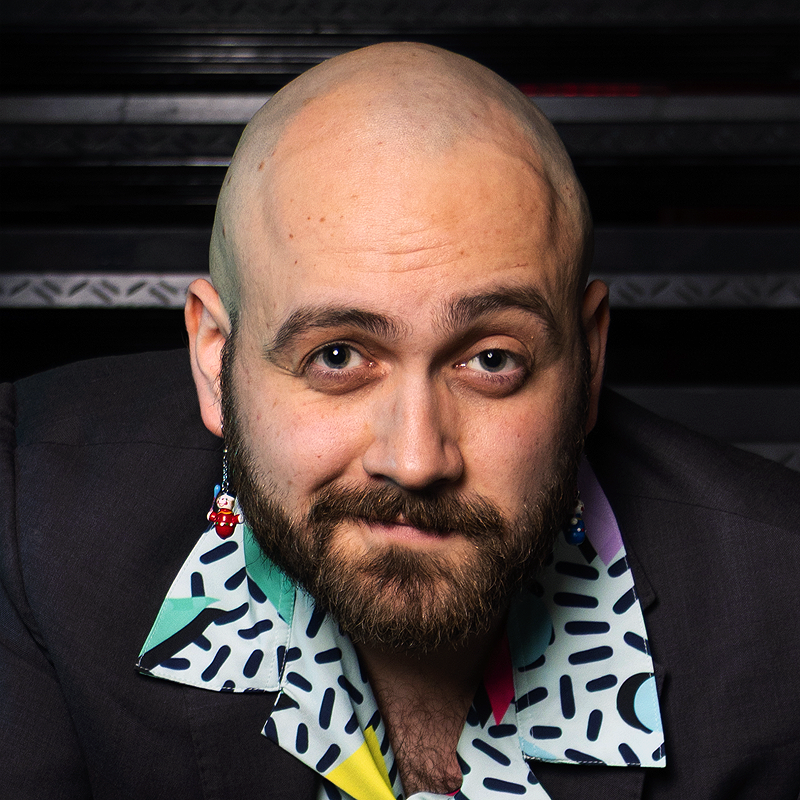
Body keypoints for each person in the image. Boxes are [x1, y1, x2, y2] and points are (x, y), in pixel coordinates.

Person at [1, 42, 798, 800]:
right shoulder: (36, 519)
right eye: (339, 357)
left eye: (490, 360)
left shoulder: (778, 610)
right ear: (215, 361)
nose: (417, 459)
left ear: (588, 360)